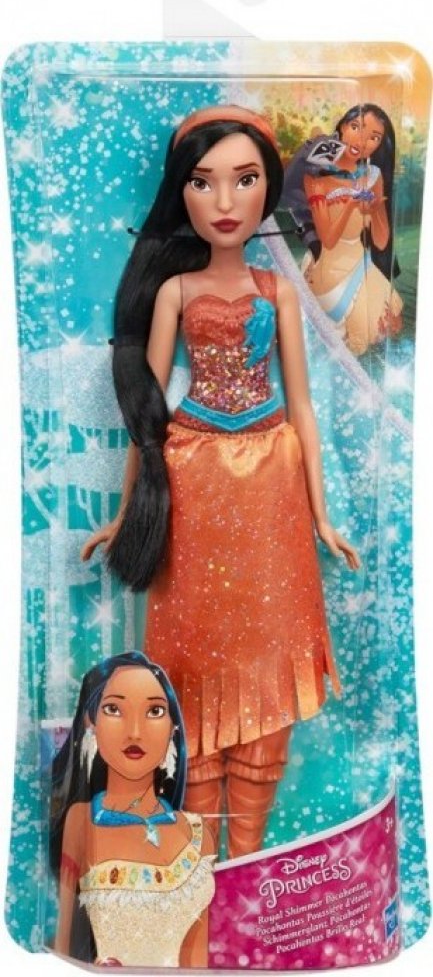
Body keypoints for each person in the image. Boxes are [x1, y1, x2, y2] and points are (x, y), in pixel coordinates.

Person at [81, 104, 361, 859]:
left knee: (270, 652)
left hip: (271, 480)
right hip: (193, 476)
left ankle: (252, 862)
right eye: (203, 183)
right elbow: (148, 415)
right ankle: (203, 862)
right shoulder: (175, 292)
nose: (226, 201)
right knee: (194, 662)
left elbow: (301, 404)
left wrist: (321, 517)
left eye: (245, 180)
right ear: (182, 193)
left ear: (269, 186)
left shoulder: (277, 292)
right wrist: (125, 514)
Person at [50, 651, 215, 967]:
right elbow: (63, 943)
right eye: (114, 709)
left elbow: (197, 961)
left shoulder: (197, 836)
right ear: (91, 722)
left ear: (172, 727)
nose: (135, 731)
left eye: (155, 711)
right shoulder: (81, 820)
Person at [283, 104, 403, 355]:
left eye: (373, 137)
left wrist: (375, 211)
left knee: (390, 324)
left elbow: (381, 241)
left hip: (359, 262)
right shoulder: (316, 174)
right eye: (356, 127)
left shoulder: (373, 175)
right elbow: (328, 239)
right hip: (328, 268)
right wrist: (350, 205)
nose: (362, 141)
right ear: (341, 127)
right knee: (357, 337)